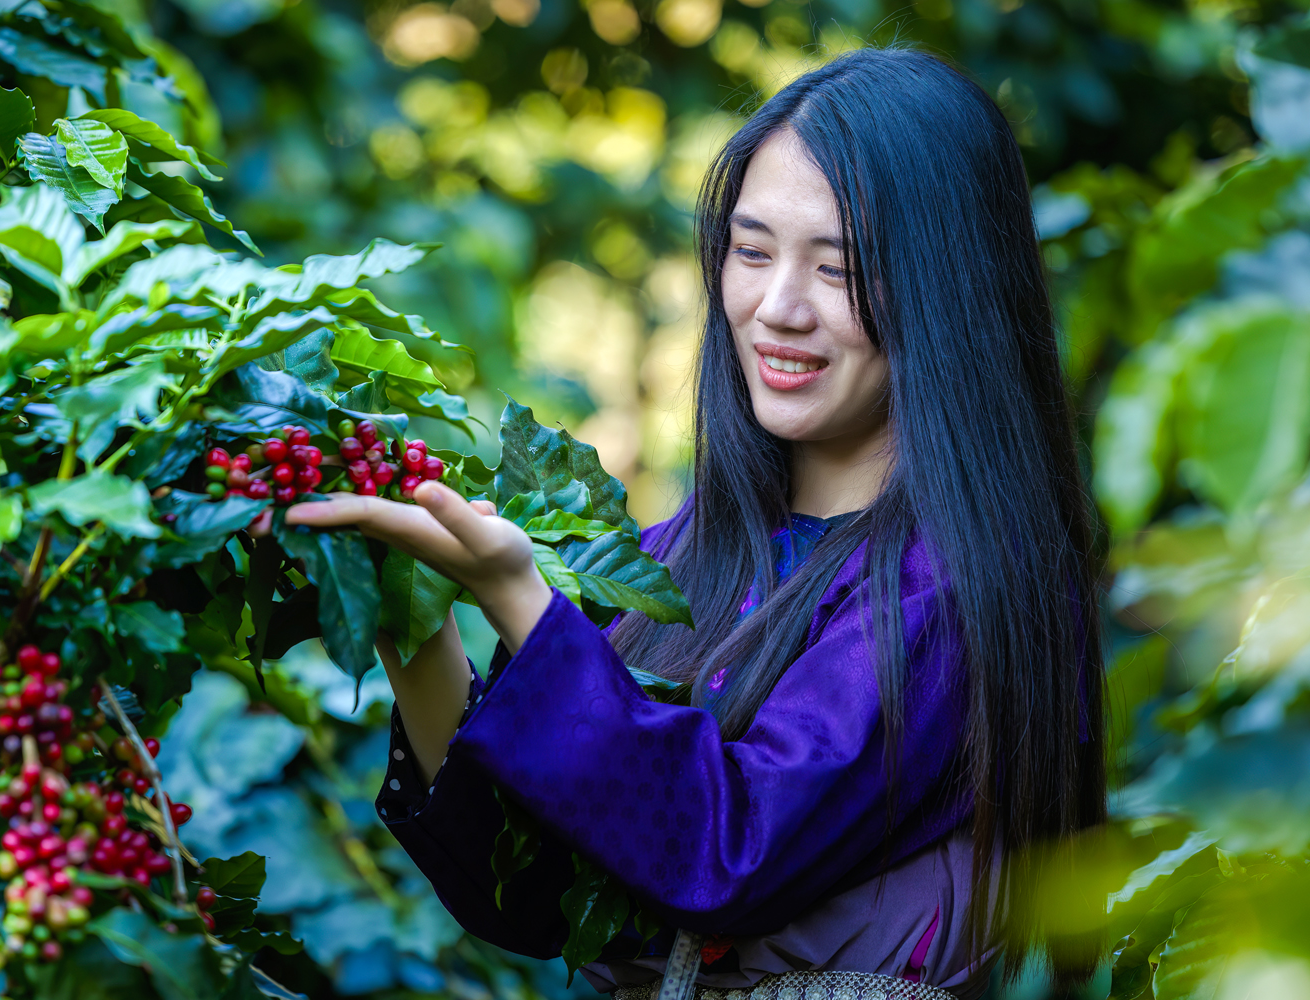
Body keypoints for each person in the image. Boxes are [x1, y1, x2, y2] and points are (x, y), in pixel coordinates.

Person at [287, 46, 1106, 1000]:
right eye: (751, 252)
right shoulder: (683, 551)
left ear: (946, 293)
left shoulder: (960, 589)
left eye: (838, 268)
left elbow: (726, 853)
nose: (776, 308)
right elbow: (534, 901)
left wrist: (517, 595)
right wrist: (411, 616)